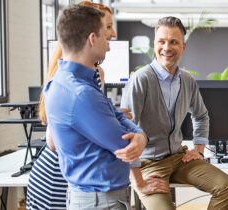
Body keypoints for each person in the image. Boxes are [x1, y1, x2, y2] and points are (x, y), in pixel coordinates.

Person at [120, 16, 228, 210]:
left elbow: (201, 116)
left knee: (226, 186)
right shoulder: (140, 80)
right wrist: (138, 181)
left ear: (183, 46)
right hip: (149, 164)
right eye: (161, 41)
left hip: (179, 158)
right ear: (155, 43)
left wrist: (198, 149)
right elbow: (126, 133)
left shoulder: (187, 80)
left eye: (173, 42)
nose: (167, 47)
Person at [43, 4, 147, 209]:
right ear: (92, 39)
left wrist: (135, 132)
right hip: (100, 201)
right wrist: (141, 136)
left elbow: (113, 113)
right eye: (104, 35)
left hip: (92, 197)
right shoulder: (82, 94)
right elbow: (125, 145)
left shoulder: (64, 81)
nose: (108, 45)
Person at [27, 2, 128, 209]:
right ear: (91, 34)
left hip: (79, 176)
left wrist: (105, 117)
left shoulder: (93, 74)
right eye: (107, 27)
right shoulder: (68, 79)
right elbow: (53, 141)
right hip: (58, 176)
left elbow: (88, 119)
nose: (113, 33)